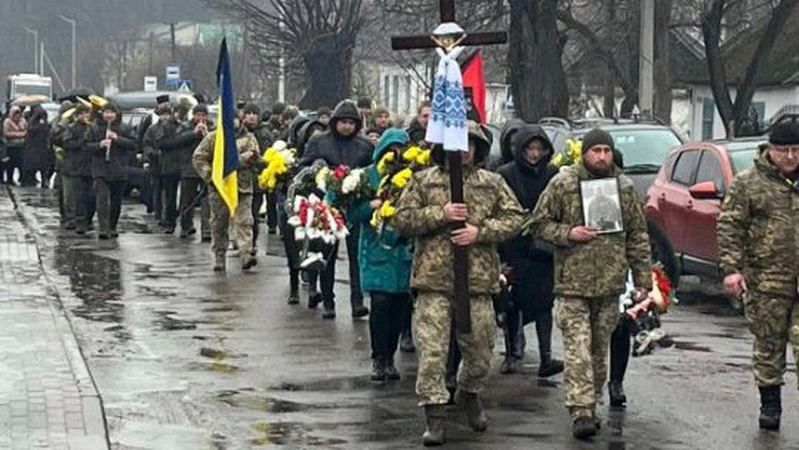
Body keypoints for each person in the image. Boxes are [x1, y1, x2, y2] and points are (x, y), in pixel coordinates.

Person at [393, 121, 524, 445]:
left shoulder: (492, 183)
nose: (464, 150)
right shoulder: (424, 181)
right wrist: (441, 214)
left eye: (471, 145)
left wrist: (480, 232)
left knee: (480, 352)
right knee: (433, 354)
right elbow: (402, 219)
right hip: (434, 281)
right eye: (458, 144)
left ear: (478, 149)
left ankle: (468, 393)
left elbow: (516, 219)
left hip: (477, 282)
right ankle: (434, 416)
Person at [530, 128, 652, 440]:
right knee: (578, 349)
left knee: (598, 350)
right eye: (595, 150)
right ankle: (580, 410)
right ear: (585, 152)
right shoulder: (563, 183)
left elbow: (638, 235)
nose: (601, 156)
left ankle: (592, 402)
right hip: (572, 283)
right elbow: (539, 223)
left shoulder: (623, 188)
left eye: (606, 151)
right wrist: (568, 233)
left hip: (609, 285)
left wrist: (642, 281)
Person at [717, 120, 799, 431]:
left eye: (795, 150)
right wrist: (731, 269)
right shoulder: (749, 183)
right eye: (783, 150)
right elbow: (729, 227)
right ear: (771, 150)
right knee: (768, 345)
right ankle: (770, 405)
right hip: (767, 281)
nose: (790, 157)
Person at [496, 124, 564, 377]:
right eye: (530, 149)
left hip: (543, 248)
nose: (534, 154)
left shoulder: (552, 173)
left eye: (539, 149)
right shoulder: (506, 173)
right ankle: (512, 352)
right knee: (513, 301)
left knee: (544, 301)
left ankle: (546, 356)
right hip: (514, 245)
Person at [346, 129, 413, 382]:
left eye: (400, 150)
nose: (394, 155)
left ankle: (391, 357)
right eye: (390, 150)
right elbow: (352, 213)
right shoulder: (367, 177)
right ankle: (378, 358)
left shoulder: (411, 177)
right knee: (381, 304)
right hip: (376, 249)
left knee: (400, 306)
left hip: (403, 251)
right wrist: (371, 206)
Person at [302, 100, 373, 319]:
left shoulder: (364, 146)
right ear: (334, 122)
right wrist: (319, 169)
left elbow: (372, 171)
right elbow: (304, 166)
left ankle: (357, 301)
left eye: (351, 123)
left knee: (356, 255)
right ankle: (328, 301)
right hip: (327, 205)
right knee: (327, 255)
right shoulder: (319, 142)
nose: (346, 127)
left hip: (355, 205)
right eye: (343, 122)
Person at [192, 117, 260, 272]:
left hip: (241, 187)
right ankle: (219, 255)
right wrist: (211, 176)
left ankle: (246, 254)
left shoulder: (248, 138)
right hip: (219, 187)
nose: (233, 121)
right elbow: (199, 157)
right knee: (219, 223)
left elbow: (254, 156)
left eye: (235, 118)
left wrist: (235, 161)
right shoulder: (214, 137)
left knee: (244, 221)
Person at [86, 103, 136, 239]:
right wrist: (99, 145)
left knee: (116, 201)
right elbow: (85, 146)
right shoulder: (94, 128)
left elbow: (133, 144)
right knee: (102, 200)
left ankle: (112, 226)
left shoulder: (124, 127)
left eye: (112, 112)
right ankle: (103, 228)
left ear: (116, 114)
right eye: (106, 112)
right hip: (100, 169)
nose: (109, 115)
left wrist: (117, 139)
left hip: (119, 169)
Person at [177, 104, 213, 240]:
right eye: (198, 115)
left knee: (207, 201)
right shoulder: (185, 126)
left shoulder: (212, 127)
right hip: (189, 167)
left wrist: (206, 135)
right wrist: (194, 133)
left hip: (206, 168)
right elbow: (178, 140)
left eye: (203, 115)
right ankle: (185, 226)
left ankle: (206, 230)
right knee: (187, 199)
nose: (201, 118)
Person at [241, 103, 275, 246]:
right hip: (239, 178)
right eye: (248, 113)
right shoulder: (238, 132)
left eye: (254, 113)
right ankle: (240, 241)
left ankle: (251, 243)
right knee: (240, 214)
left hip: (257, 180)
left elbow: (269, 157)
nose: (251, 116)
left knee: (253, 214)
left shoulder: (265, 134)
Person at [62, 104, 96, 235]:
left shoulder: (92, 127)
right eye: (84, 114)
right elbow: (67, 143)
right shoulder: (71, 128)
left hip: (91, 167)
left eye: (88, 114)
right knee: (79, 197)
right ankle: (80, 222)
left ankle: (89, 220)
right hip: (76, 167)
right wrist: (82, 142)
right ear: (78, 116)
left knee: (92, 197)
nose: (86, 117)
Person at [21, 105, 50, 187]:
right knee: (35, 164)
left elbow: (31, 129)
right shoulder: (29, 114)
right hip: (34, 144)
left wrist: (33, 119)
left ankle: (41, 180)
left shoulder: (41, 116)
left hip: (38, 144)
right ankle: (32, 179)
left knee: (39, 165)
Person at [3, 105, 27, 185]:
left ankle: (22, 180)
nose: (17, 116)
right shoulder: (7, 121)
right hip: (11, 146)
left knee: (22, 164)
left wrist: (22, 134)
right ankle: (10, 179)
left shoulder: (23, 121)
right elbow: (6, 133)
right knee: (10, 165)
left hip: (21, 146)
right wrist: (19, 134)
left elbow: (26, 131)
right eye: (15, 114)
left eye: (18, 113)